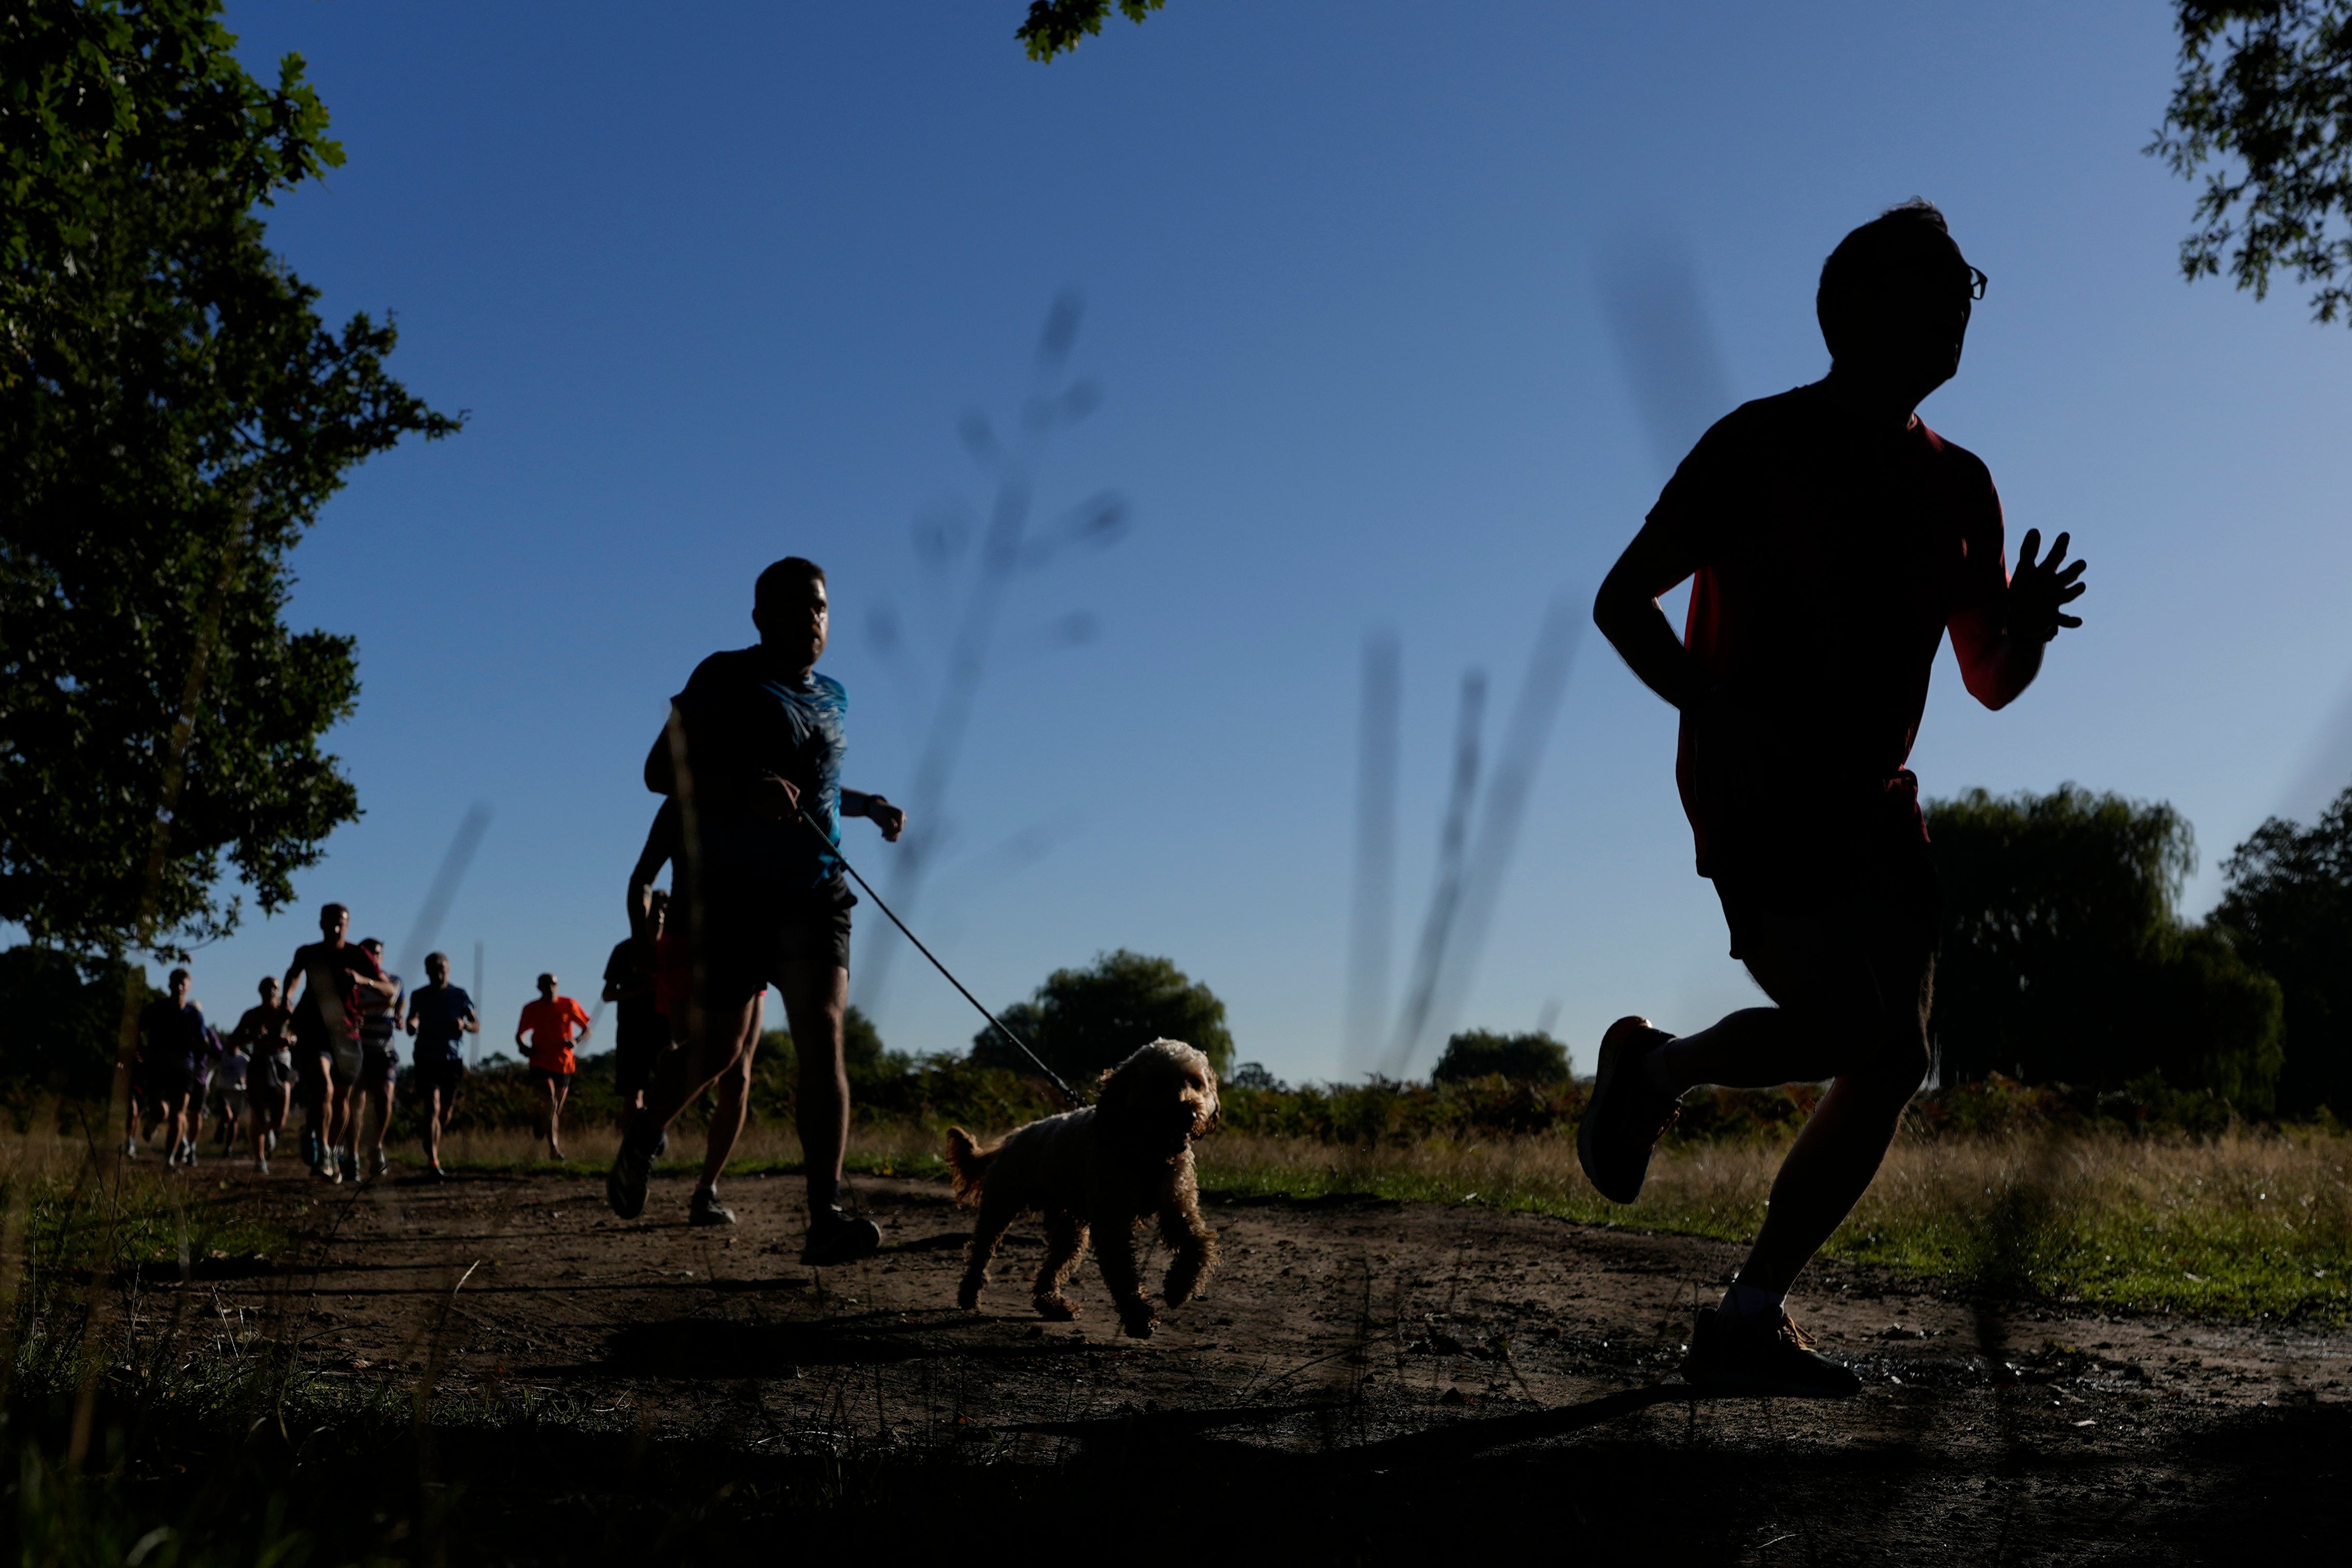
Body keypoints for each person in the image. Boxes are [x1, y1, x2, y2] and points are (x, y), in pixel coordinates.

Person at [1582, 201, 2087, 1397]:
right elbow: (1621, 600)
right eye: (1937, 277)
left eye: (1969, 279)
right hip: (1758, 784)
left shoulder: (1961, 484)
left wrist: (2027, 631)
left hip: (1875, 799)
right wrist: (1714, 707)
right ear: (1852, 305)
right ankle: (1649, 1071)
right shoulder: (1757, 445)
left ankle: (1750, 1313)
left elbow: (1990, 679)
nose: (1962, 298)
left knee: (1895, 1056)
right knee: (1853, 1029)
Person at [605, 556, 906, 1264]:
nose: (813, 618)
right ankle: (645, 1134)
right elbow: (658, 772)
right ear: (760, 616)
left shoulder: (834, 694)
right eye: (798, 605)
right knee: (715, 1051)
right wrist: (744, 789)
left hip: (817, 892)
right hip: (733, 895)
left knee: (823, 1035)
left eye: (823, 606)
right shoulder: (723, 676)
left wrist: (866, 807)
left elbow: (817, 791)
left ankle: (825, 1215)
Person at [283, 903, 397, 1185]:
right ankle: (323, 1151)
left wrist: (362, 980)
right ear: (321, 923)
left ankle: (333, 1152)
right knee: (323, 1086)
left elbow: (389, 990)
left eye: (341, 923)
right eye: (330, 922)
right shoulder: (308, 952)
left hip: (347, 1035)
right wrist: (288, 996)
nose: (335, 928)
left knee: (342, 1099)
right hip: (314, 1031)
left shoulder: (358, 955)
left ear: (347, 926)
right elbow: (294, 974)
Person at [403, 950, 479, 1179]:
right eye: (434, 969)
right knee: (432, 1107)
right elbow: (412, 1017)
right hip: (427, 1057)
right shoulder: (420, 995)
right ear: (427, 971)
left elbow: (476, 1024)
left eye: (442, 968)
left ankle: (431, 1138)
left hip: (452, 1059)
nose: (438, 973)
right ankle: (433, 1160)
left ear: (448, 969)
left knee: (444, 1114)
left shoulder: (459, 995)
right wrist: (412, 1025)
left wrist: (464, 1025)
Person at [137, 968, 208, 1168]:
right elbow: (136, 1027)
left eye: (183, 983)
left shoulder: (194, 1014)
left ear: (189, 987)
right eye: (176, 983)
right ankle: (154, 1120)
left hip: (184, 1066)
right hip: (158, 1064)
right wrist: (140, 1048)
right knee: (160, 1110)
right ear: (169, 985)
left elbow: (203, 1042)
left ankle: (169, 1159)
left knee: (179, 1113)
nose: (179, 987)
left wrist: (206, 1056)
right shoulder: (156, 1009)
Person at [515, 973, 591, 1160]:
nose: (550, 987)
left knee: (554, 1110)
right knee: (550, 1101)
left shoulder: (569, 1004)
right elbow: (521, 1034)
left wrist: (577, 1040)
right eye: (545, 984)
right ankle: (554, 1150)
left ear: (558, 986)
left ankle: (540, 1124)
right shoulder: (531, 1008)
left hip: (564, 1064)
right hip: (540, 1062)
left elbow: (587, 1028)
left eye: (553, 984)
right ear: (538, 988)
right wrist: (523, 1047)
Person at [230, 976, 295, 1173]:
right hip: (259, 1058)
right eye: (267, 987)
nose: (271, 990)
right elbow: (233, 1040)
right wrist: (252, 1036)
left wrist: (290, 1039)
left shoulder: (286, 1012)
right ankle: (260, 1161)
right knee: (257, 1112)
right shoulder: (252, 1015)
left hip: (281, 1060)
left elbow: (297, 1032)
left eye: (274, 987)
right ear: (260, 990)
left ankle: (270, 1130)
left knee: (280, 1118)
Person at [353, 937, 405, 1179]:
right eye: (369, 953)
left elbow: (397, 998)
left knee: (385, 1098)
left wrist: (401, 1015)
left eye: (378, 953)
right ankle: (352, 1155)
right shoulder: (353, 983)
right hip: (358, 1050)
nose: (374, 956)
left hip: (384, 1050)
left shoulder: (394, 981)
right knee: (356, 1105)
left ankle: (376, 1147)